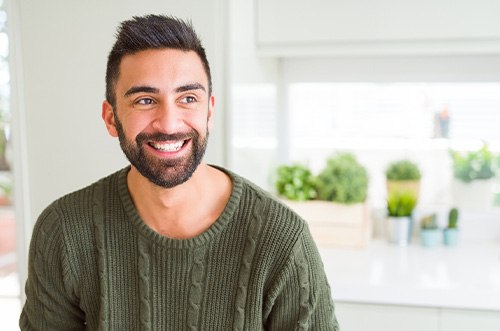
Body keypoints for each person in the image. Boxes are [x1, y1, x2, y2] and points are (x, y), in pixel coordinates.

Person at [20, 14, 339, 330]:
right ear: (110, 118)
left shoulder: (282, 241)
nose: (170, 123)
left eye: (188, 98)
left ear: (210, 111)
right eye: (145, 100)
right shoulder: (63, 232)